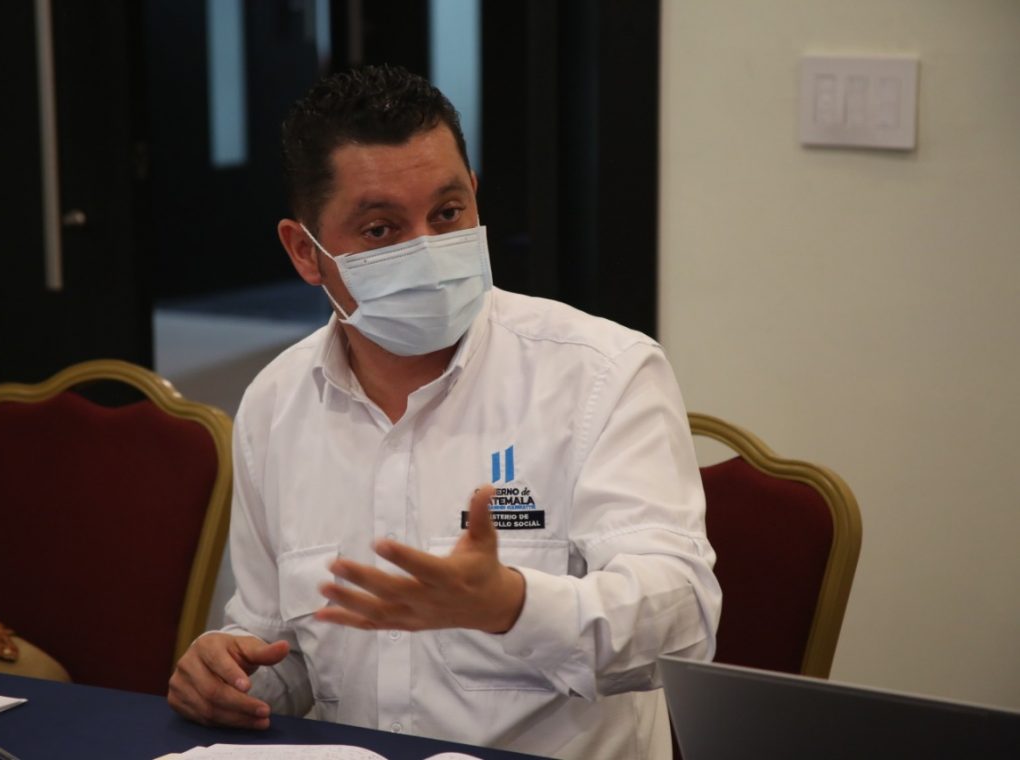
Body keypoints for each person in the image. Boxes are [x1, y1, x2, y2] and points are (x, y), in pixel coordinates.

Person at [167, 63, 721, 759]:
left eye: (448, 214)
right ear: (305, 252)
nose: (427, 251)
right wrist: (235, 673)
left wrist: (513, 606)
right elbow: (284, 645)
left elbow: (683, 622)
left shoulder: (601, 373)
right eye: (380, 229)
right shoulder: (276, 404)